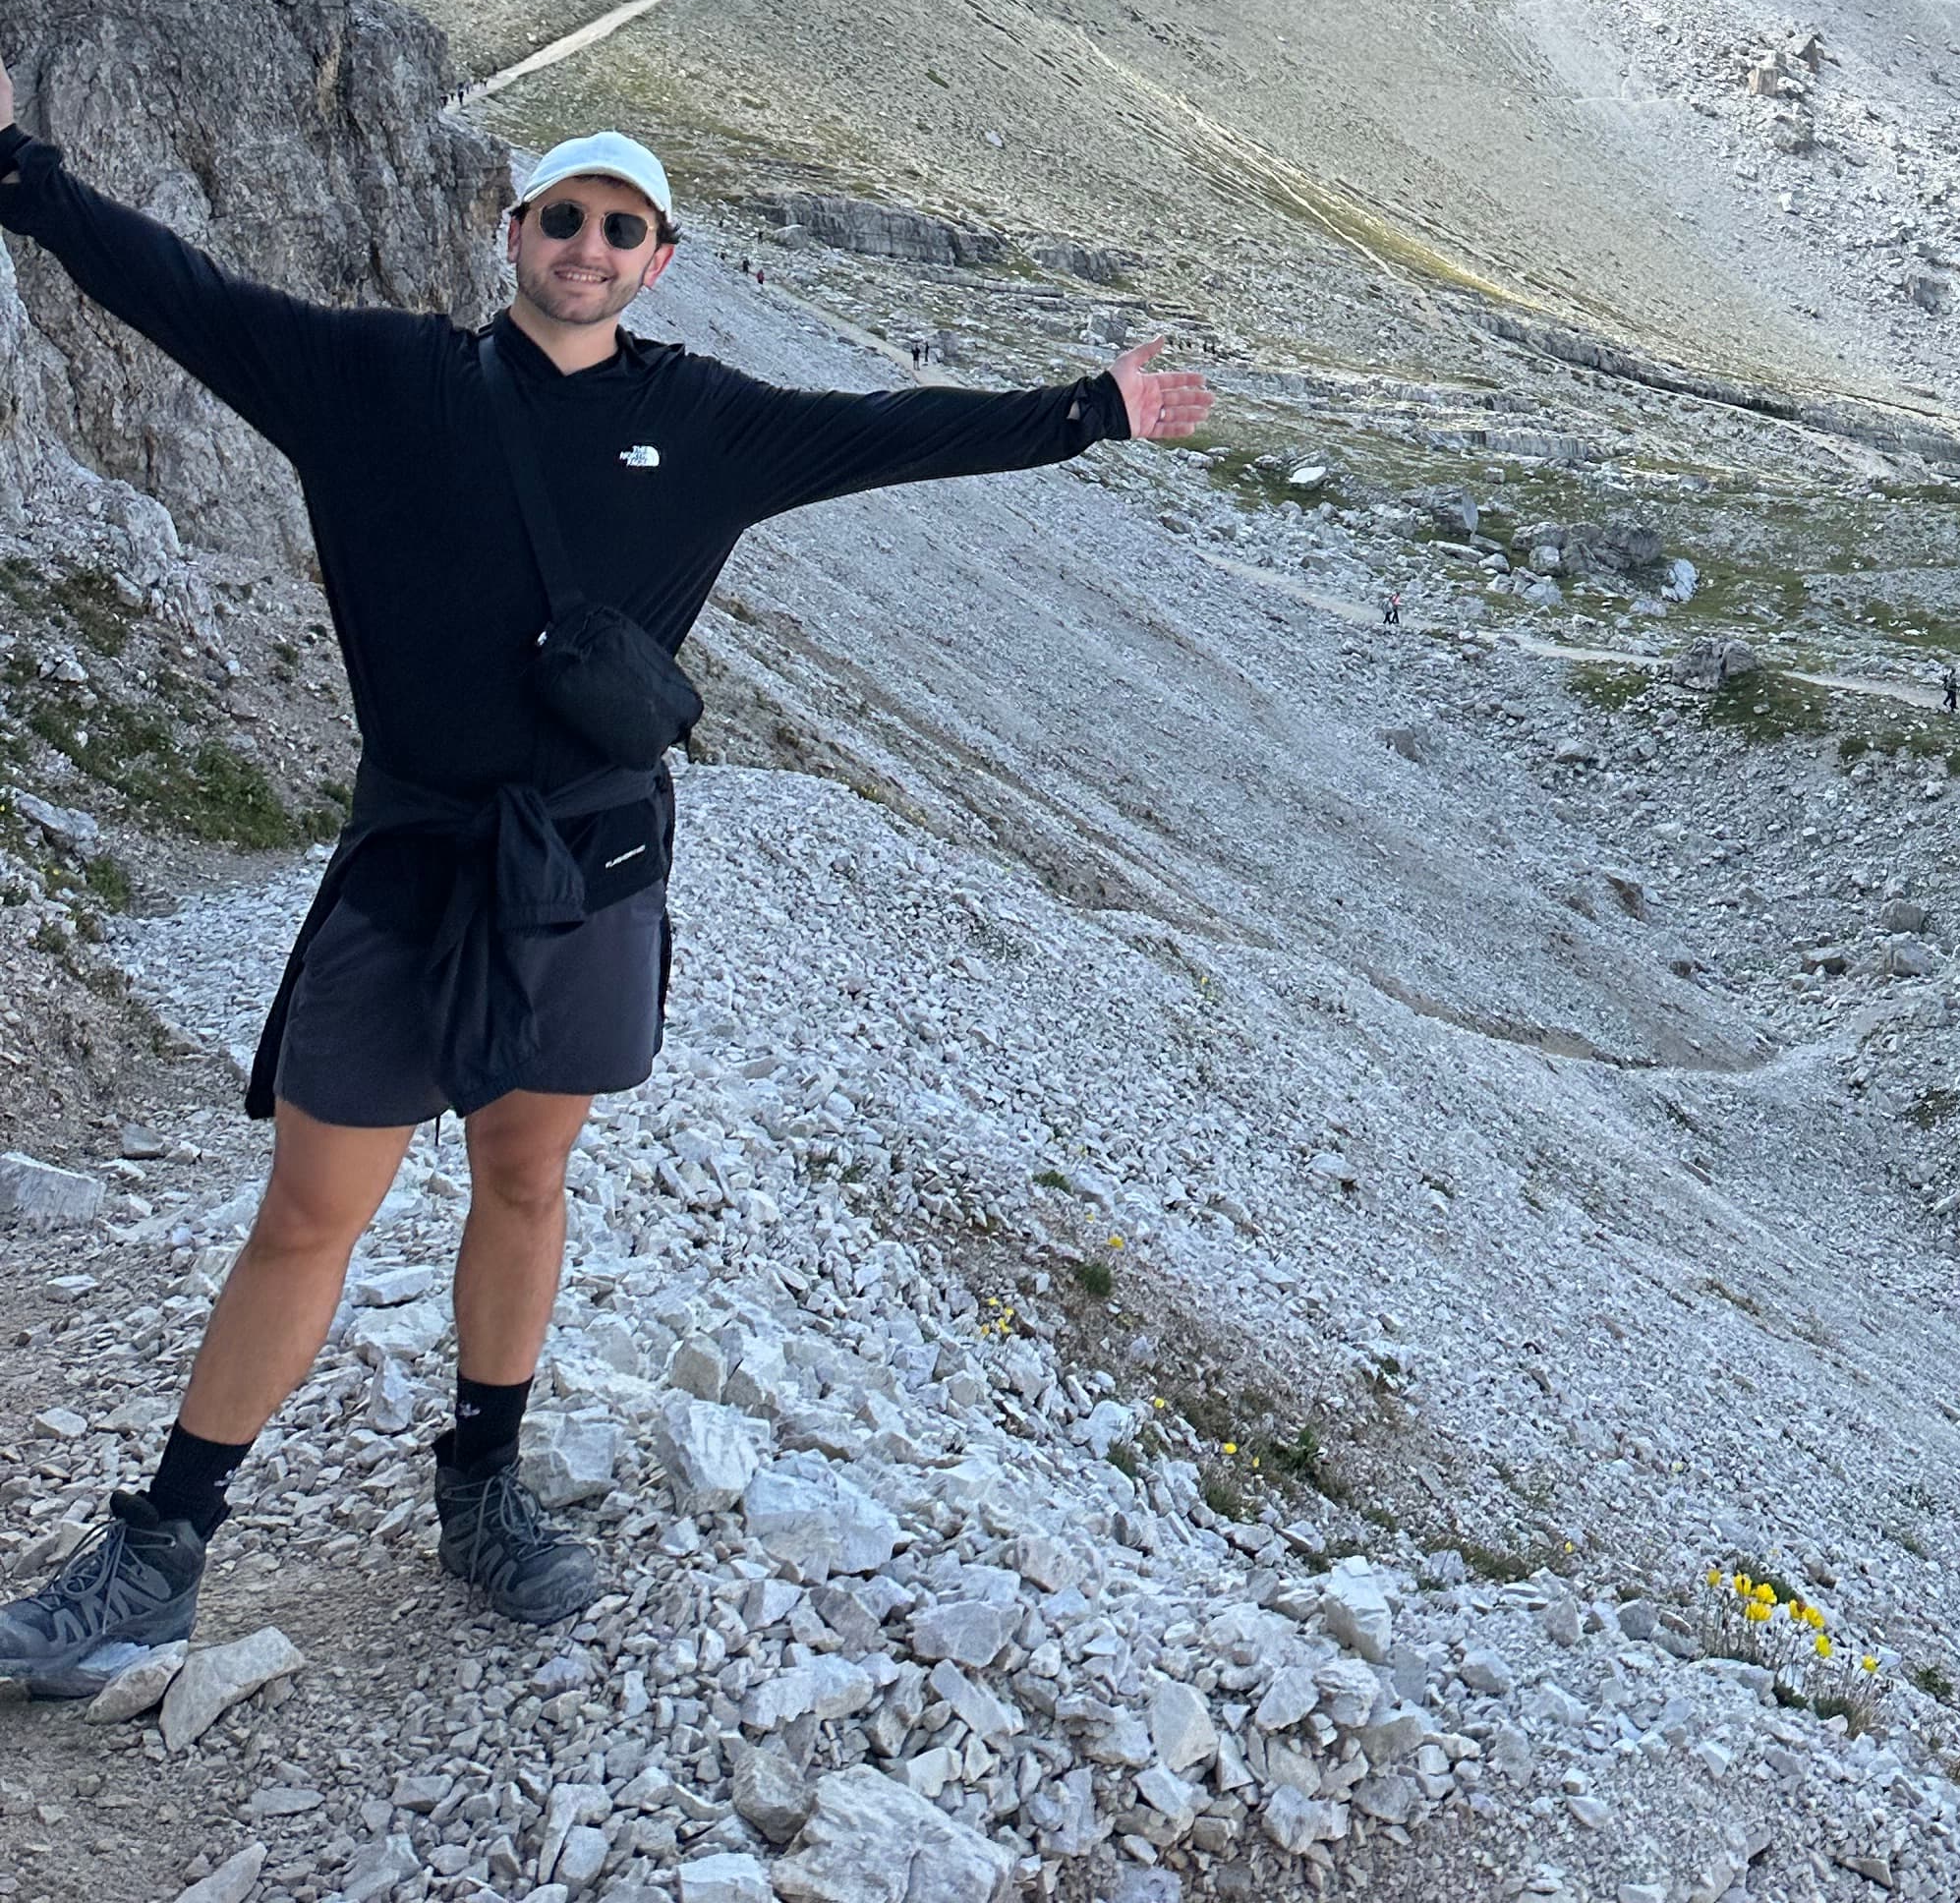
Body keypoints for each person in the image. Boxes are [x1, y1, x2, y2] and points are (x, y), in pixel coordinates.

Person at [0, 93, 1208, 1695]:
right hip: (417, 857)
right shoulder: (379, 383)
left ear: (659, 264)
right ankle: (161, 1544)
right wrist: (24, 177)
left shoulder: (706, 420)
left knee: (525, 1177)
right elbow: (182, 296)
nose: (586, 248)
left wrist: (1089, 411)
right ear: (514, 235)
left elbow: (890, 432)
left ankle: (480, 1486)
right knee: (311, 1210)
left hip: (589, 866)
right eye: (561, 218)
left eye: (620, 229)